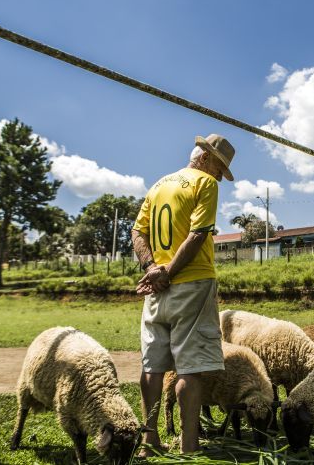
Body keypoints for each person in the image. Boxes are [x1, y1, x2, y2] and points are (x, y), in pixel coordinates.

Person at [131, 133, 235, 455]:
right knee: (191, 367)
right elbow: (198, 234)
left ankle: (150, 442)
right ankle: (189, 447)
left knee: (153, 366)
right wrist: (168, 272)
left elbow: (137, 231)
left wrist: (152, 268)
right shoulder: (206, 184)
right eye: (220, 167)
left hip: (156, 290)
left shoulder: (159, 185)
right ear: (205, 158)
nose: (220, 176)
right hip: (192, 283)